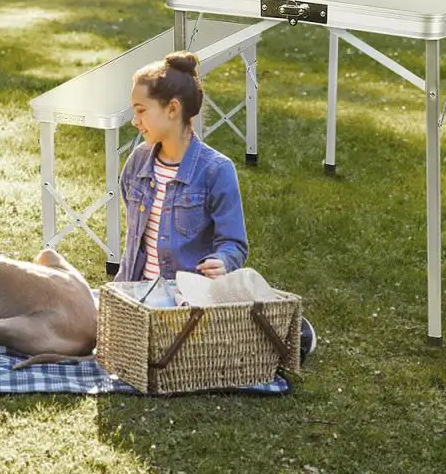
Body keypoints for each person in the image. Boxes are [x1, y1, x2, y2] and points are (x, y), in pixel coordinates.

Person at [115, 50, 315, 362]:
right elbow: (134, 235)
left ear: (172, 109)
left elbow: (234, 243)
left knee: (196, 353)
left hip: (189, 302)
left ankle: (289, 331)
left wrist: (222, 262)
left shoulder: (216, 170)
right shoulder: (138, 162)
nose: (134, 120)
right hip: (136, 295)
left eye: (141, 110)